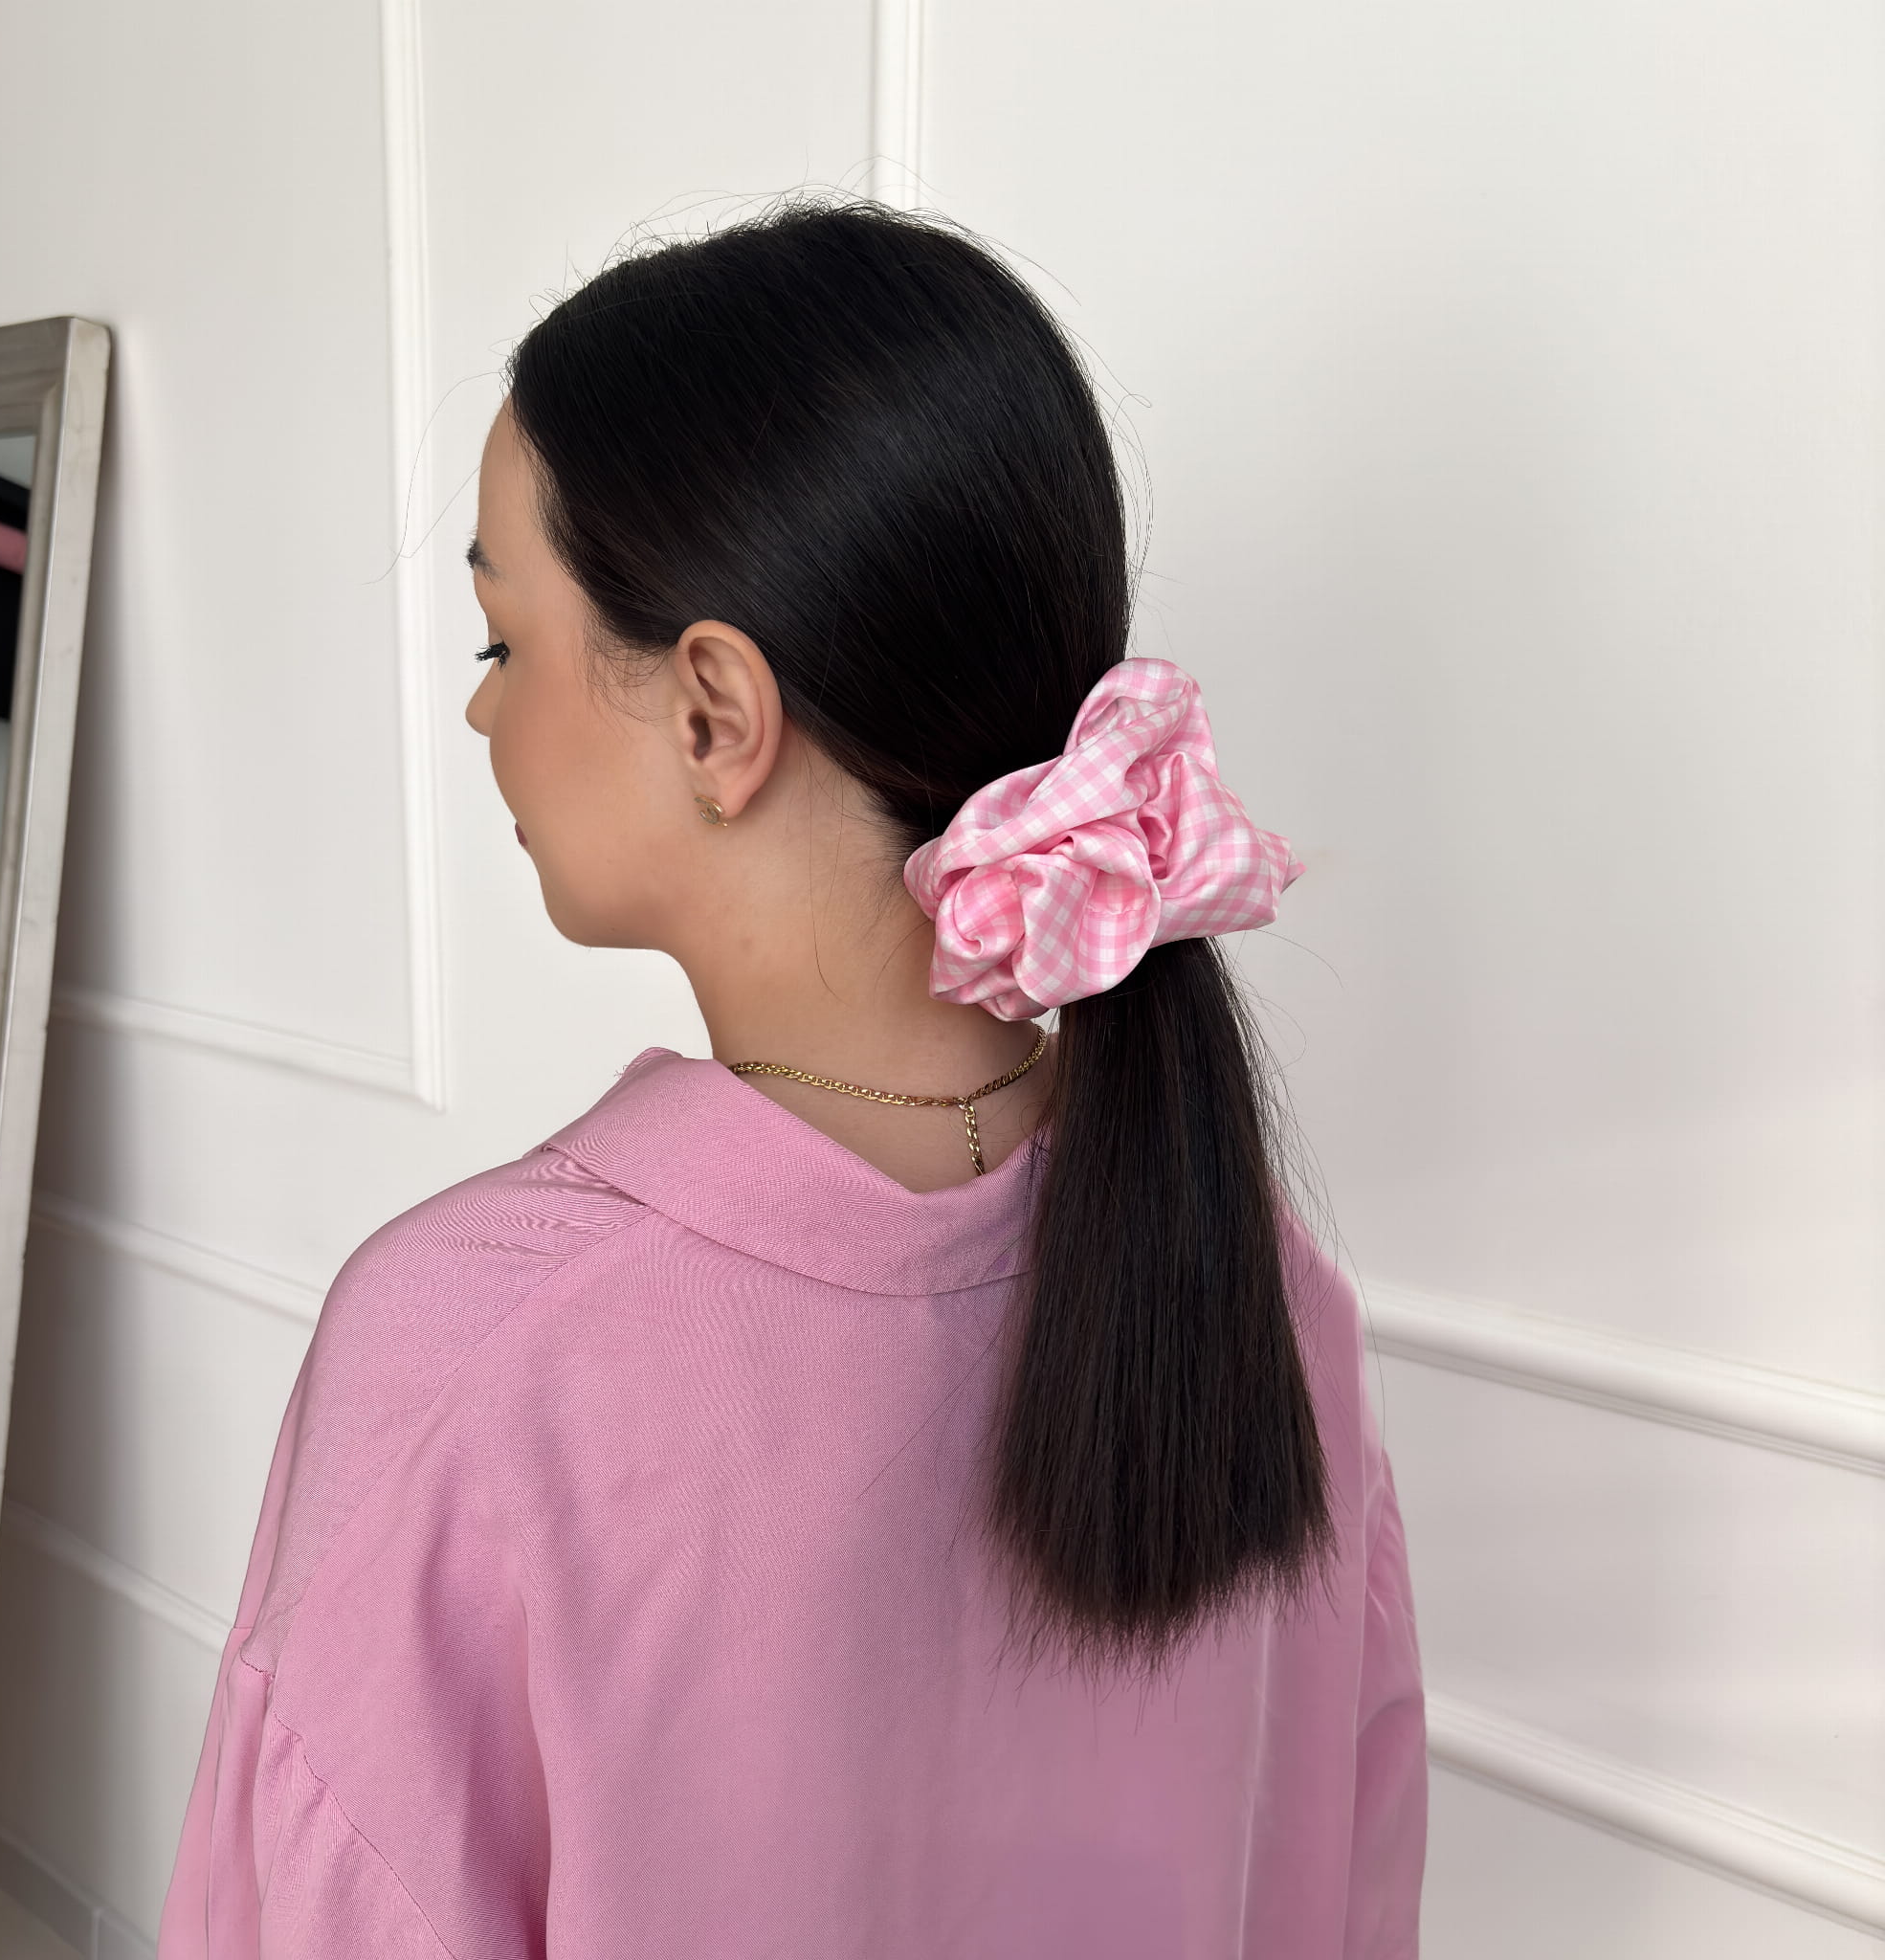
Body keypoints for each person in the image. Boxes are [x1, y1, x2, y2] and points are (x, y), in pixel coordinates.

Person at [158, 194, 1426, 1958]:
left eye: (501, 641)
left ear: (714, 714)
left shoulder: (473, 1360)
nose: (481, 714)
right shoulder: (1269, 1295)